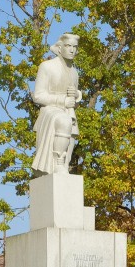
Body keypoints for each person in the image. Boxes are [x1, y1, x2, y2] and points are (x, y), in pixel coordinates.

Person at [31, 33, 82, 175]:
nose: (72, 50)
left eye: (74, 47)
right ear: (60, 48)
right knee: (64, 121)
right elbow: (38, 96)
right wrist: (62, 100)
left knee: (69, 134)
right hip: (50, 111)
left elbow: (73, 102)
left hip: (67, 112)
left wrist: (76, 96)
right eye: (68, 46)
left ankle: (63, 164)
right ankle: (58, 162)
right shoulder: (47, 66)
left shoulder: (75, 73)